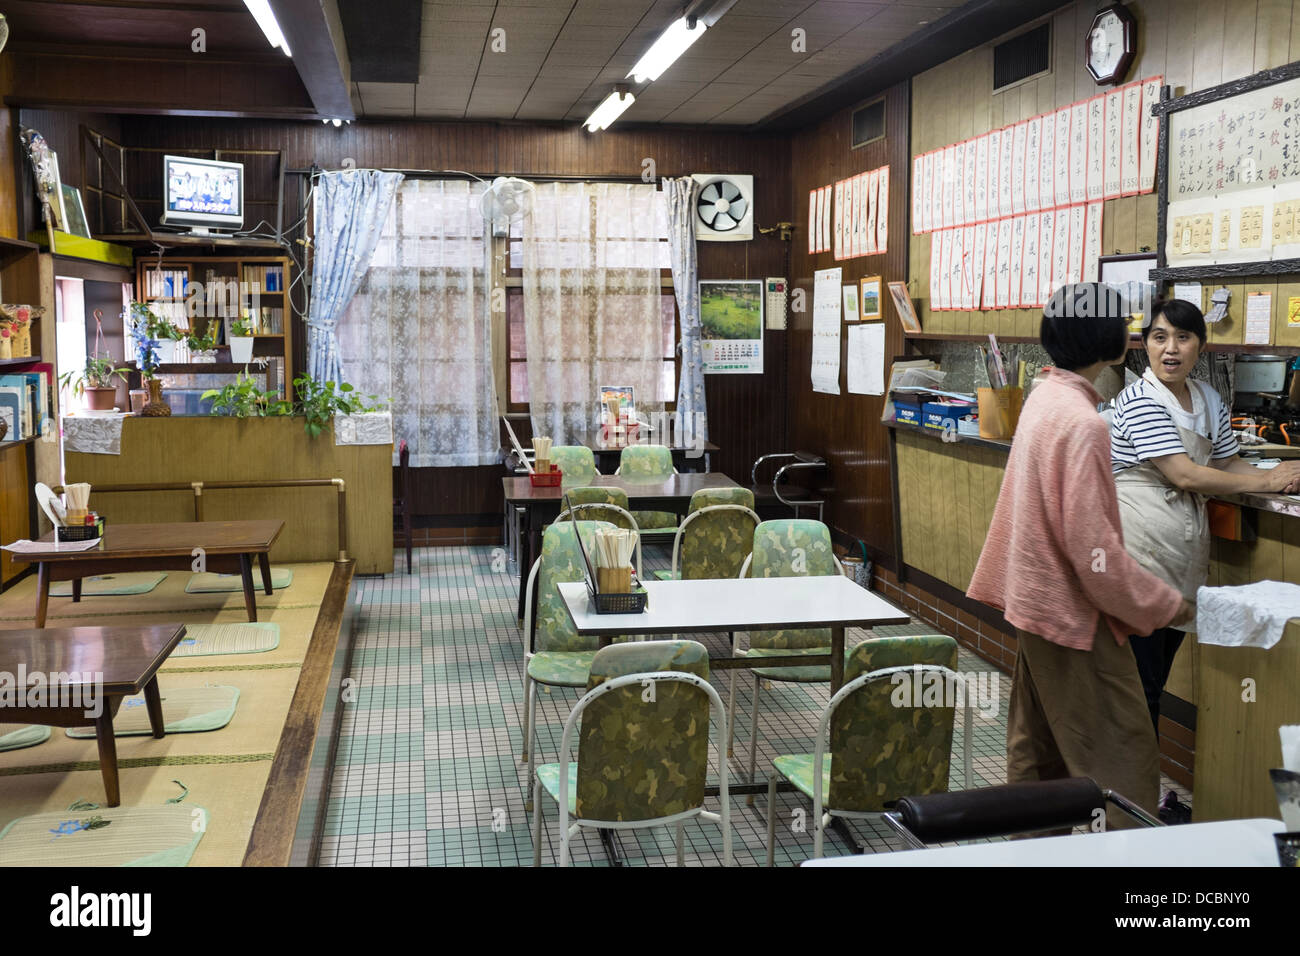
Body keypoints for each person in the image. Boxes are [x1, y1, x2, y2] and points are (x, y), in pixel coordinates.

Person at [967, 283, 1195, 830]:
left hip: (1032, 603)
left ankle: (1031, 850)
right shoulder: (1085, 422)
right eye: (1127, 322)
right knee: (1123, 760)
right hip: (1072, 617)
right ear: (1106, 339)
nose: (1133, 330)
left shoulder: (1045, 397)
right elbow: (1095, 554)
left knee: (1039, 755)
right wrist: (1164, 605)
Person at [1111, 299, 1300, 739]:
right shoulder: (1139, 399)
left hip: (1180, 555)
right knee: (1138, 686)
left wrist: (1278, 477)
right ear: (1145, 345)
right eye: (1159, 337)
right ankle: (1131, 796)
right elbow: (1184, 473)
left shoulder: (1208, 398)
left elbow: (1227, 464)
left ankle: (1140, 792)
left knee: (1155, 676)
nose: (1170, 349)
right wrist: (1269, 483)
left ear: (1201, 345)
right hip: (1135, 555)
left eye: (1183, 337)